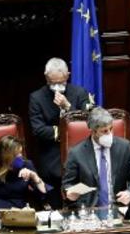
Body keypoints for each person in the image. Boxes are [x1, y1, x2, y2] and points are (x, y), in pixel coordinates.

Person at [29, 57, 90, 209]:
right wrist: (64, 132)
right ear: (46, 77)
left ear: (68, 75)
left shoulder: (79, 93)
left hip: (80, 157)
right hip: (51, 160)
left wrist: (68, 107)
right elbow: (38, 129)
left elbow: (88, 123)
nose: (57, 87)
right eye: (52, 83)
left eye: (61, 83)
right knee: (56, 207)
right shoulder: (36, 97)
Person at [63, 107, 130, 208]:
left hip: (119, 207)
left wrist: (129, 192)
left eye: (111, 129)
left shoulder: (125, 147)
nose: (110, 134)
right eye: (104, 131)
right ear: (93, 131)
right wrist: (70, 193)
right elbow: (68, 184)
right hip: (90, 210)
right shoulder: (76, 153)